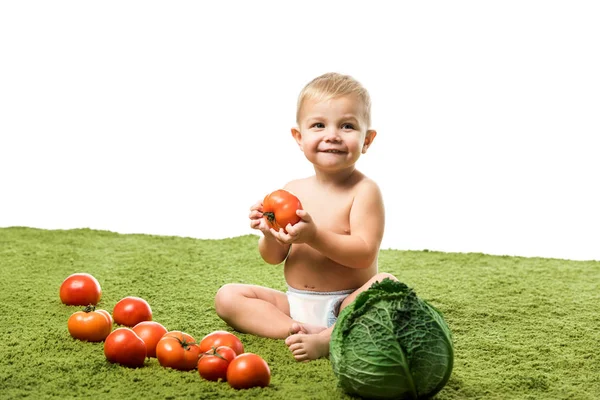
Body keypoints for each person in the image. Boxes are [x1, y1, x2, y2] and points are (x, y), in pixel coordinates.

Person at [214, 72, 397, 361]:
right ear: (299, 137)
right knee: (227, 296)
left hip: (347, 303)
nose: (332, 135)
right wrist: (268, 233)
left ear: (367, 140)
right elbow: (274, 257)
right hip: (294, 302)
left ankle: (330, 338)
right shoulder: (291, 190)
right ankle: (295, 329)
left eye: (347, 126)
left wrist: (314, 236)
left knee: (388, 286)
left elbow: (363, 254)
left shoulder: (364, 191)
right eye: (319, 125)